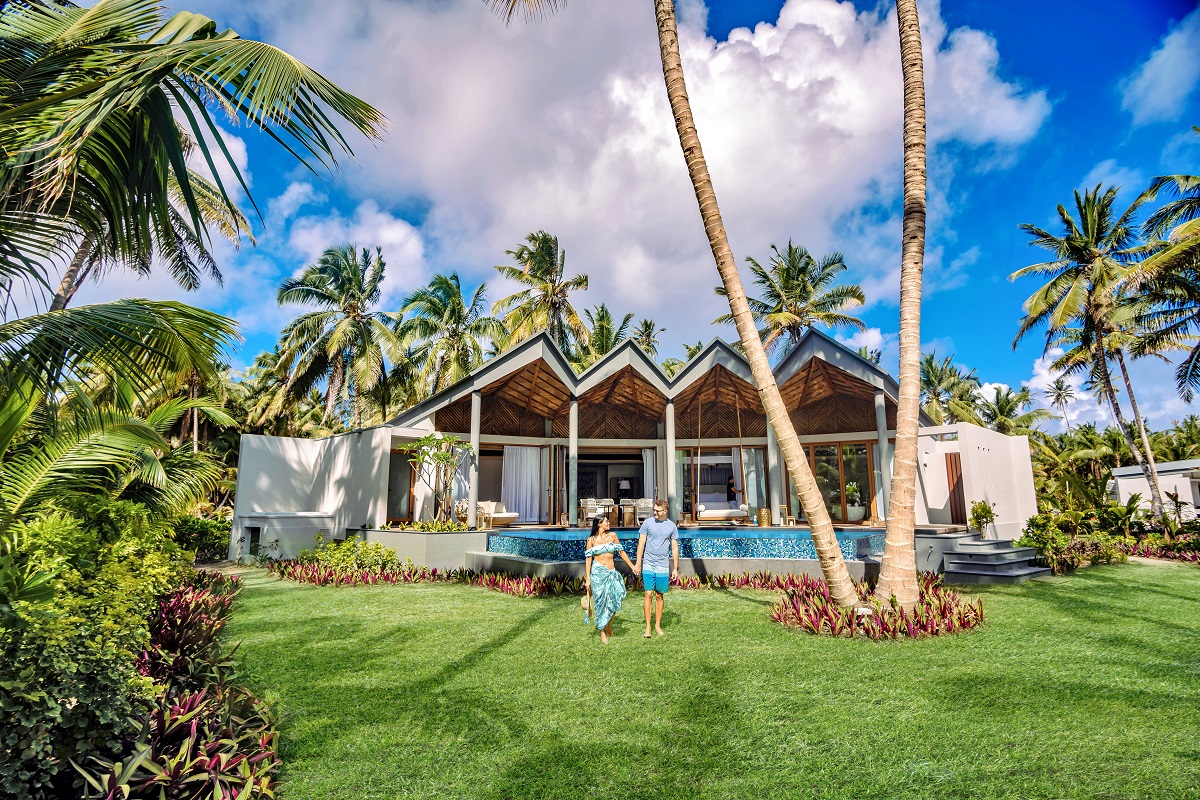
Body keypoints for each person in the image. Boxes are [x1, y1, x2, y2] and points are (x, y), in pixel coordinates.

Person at [584, 513, 637, 644]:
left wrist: (632, 567)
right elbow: (588, 559)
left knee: (615, 600)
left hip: (611, 573)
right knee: (600, 603)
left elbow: (621, 552)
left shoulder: (612, 536)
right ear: (599, 523)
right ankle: (602, 630)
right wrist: (588, 579)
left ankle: (608, 624)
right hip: (598, 574)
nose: (608, 523)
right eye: (606, 521)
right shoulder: (591, 540)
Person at [634, 499, 679, 638]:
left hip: (663, 565)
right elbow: (641, 544)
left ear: (665, 511)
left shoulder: (671, 526)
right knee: (648, 594)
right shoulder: (647, 523)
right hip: (648, 563)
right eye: (654, 510)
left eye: (658, 511)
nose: (655, 512)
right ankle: (648, 627)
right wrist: (638, 563)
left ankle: (657, 625)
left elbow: (674, 547)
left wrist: (675, 568)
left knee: (659, 595)